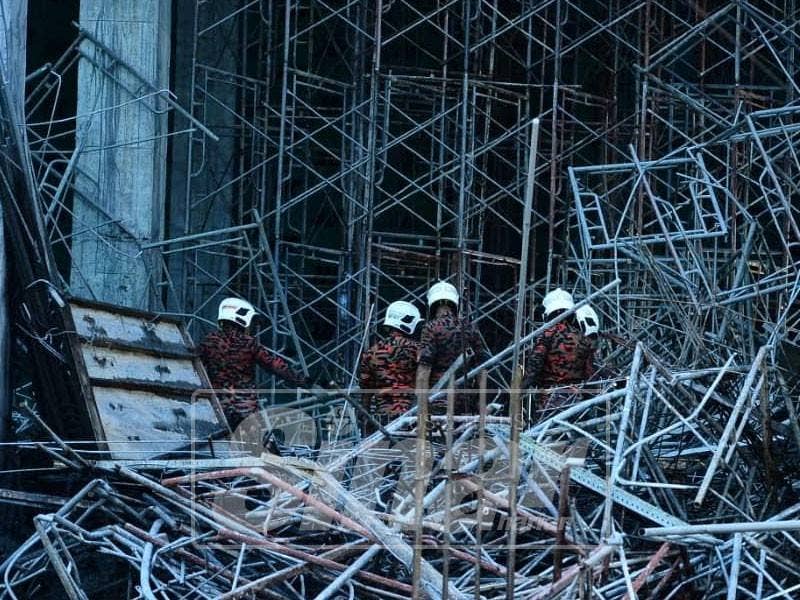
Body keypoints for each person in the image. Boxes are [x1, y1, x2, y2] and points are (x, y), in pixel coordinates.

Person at [198, 297, 309, 429]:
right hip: (245, 406)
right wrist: (303, 381)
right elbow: (274, 365)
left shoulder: (209, 341)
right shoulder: (249, 343)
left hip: (217, 403)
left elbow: (197, 367)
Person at [522, 288, 596, 418]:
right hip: (575, 398)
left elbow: (535, 364)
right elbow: (589, 373)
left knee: (547, 429)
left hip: (550, 398)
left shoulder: (547, 335)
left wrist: (521, 388)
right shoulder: (583, 338)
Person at [415, 281, 485, 414]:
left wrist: (420, 402)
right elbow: (481, 369)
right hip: (465, 398)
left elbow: (424, 368)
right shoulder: (470, 328)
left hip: (439, 398)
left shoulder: (431, 328)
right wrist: (481, 403)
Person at [358, 300, 423, 433]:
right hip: (413, 415)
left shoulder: (372, 352)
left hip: (383, 418)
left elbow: (366, 392)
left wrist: (364, 419)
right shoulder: (418, 350)